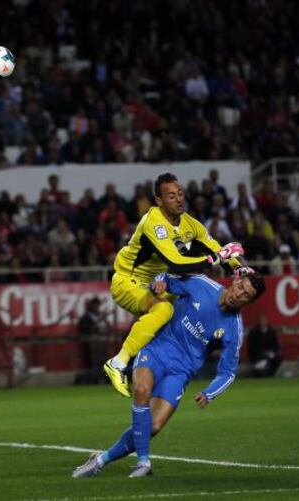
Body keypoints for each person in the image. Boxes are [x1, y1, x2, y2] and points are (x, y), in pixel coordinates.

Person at [73, 271, 266, 478]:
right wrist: (157, 285)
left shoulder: (234, 329)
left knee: (154, 426)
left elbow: (227, 372)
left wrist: (209, 393)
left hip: (181, 371)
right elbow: (165, 279)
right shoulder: (201, 284)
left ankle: (101, 459)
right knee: (141, 389)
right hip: (157, 349)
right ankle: (143, 462)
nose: (239, 294)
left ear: (250, 302)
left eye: (246, 295)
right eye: (240, 287)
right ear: (236, 280)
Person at [104, 172, 243, 397]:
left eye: (180, 194)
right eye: (171, 196)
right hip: (127, 281)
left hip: (155, 284)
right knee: (165, 309)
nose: (179, 199)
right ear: (159, 201)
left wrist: (240, 269)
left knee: (181, 308)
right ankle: (119, 363)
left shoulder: (190, 224)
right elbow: (176, 263)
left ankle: (163, 371)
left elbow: (218, 248)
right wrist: (214, 260)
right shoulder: (153, 222)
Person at [78, 297, 110, 384]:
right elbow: (84, 329)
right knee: (94, 362)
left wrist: (105, 329)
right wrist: (95, 329)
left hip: (103, 341)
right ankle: (96, 379)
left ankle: (104, 378)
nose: (96, 306)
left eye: (97, 305)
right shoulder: (86, 317)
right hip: (93, 343)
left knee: (104, 361)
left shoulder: (101, 316)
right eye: (94, 304)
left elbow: (107, 326)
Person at [247, 313, 282, 377]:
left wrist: (273, 353)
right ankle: (259, 368)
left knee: (277, 359)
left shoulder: (272, 332)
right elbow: (251, 348)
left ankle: (264, 369)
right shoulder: (253, 333)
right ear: (259, 321)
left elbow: (276, 346)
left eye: (264, 319)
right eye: (261, 320)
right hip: (258, 356)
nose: (263, 321)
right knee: (265, 362)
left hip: (271, 356)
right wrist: (263, 353)